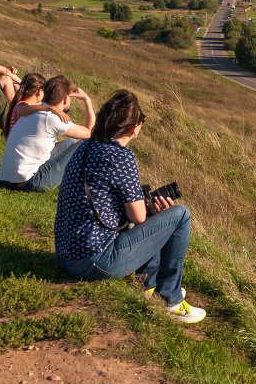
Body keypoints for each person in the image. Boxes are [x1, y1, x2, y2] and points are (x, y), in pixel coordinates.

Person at [53, 90, 205, 324]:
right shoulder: (121, 156)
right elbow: (139, 217)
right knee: (181, 215)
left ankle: (150, 285)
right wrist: (155, 211)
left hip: (67, 254)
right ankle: (171, 300)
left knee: (151, 214)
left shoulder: (85, 147)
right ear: (135, 127)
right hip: (94, 261)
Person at [0, 75, 95, 192]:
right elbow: (89, 132)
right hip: (30, 182)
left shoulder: (35, 109)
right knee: (86, 143)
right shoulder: (52, 117)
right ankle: (83, 185)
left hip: (8, 178)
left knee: (70, 142)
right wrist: (87, 100)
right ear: (65, 99)